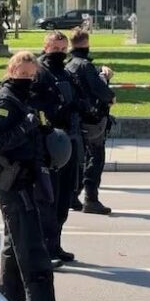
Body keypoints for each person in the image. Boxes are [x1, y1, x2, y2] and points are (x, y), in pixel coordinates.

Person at [0, 51, 74, 301]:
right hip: (14, 182)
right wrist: (28, 125)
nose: (27, 79)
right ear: (11, 70)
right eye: (22, 74)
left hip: (24, 181)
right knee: (34, 248)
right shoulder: (5, 102)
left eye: (31, 75)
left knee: (15, 247)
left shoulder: (21, 100)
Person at [30, 31, 89, 266]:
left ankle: (55, 245)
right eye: (55, 49)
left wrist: (83, 107)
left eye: (63, 49)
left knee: (66, 196)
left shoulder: (65, 72)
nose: (59, 53)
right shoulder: (38, 72)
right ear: (45, 47)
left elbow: (77, 98)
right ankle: (45, 250)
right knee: (49, 200)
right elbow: (34, 104)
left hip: (70, 141)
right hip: (49, 145)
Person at [66, 28, 116, 215]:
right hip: (92, 120)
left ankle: (73, 195)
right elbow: (100, 91)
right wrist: (107, 82)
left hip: (76, 118)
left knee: (81, 158)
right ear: (87, 43)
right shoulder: (85, 66)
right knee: (95, 159)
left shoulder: (68, 65)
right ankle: (91, 199)